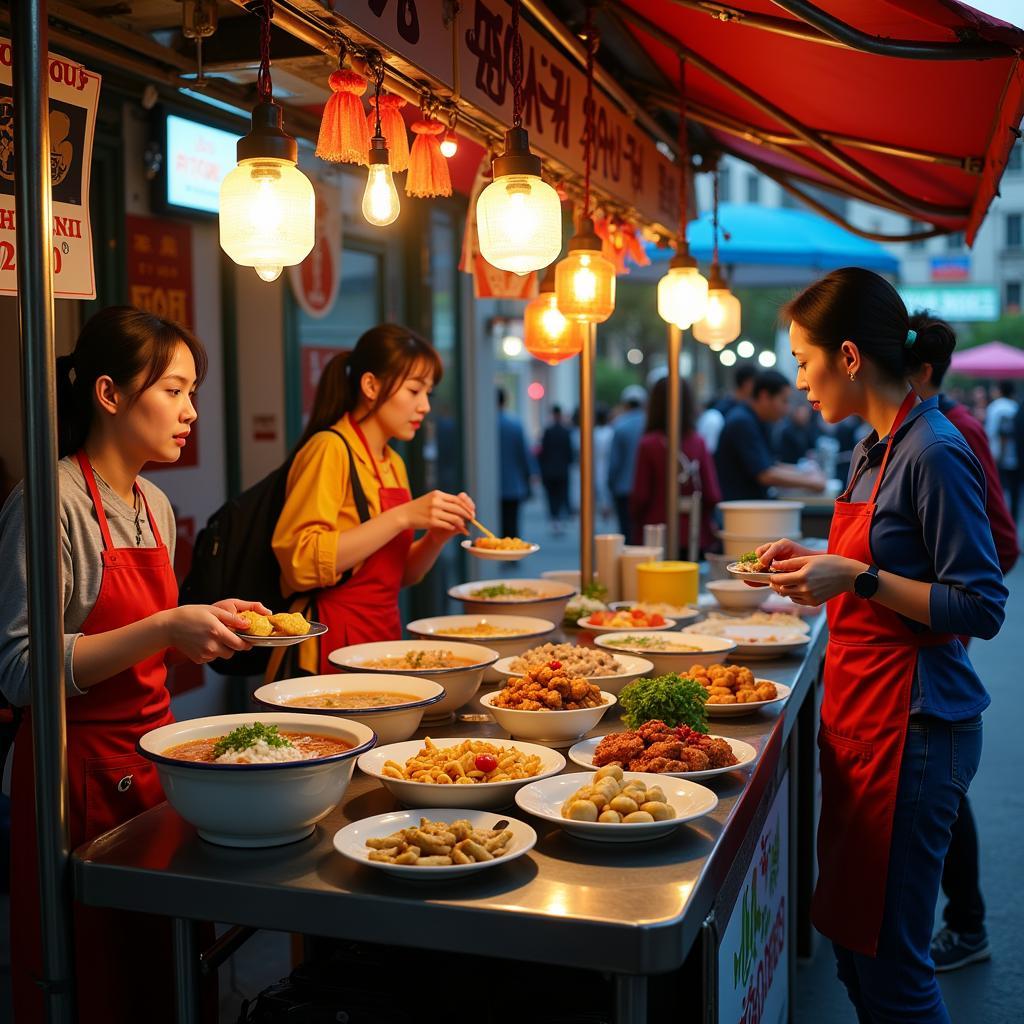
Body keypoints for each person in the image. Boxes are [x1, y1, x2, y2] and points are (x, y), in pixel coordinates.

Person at [1, 306, 263, 1023]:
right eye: (174, 391)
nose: (191, 411)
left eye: (192, 392)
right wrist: (163, 627)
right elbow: (22, 670)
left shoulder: (151, 499)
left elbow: (154, 638)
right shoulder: (48, 502)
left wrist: (198, 623)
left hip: (151, 762)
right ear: (110, 394)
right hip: (71, 775)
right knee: (96, 975)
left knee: (167, 961)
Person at [758, 268, 1007, 1023]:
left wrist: (856, 578)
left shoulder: (934, 449)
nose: (799, 381)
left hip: (917, 731)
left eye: (804, 361)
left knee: (893, 965)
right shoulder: (874, 447)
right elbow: (881, 562)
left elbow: (981, 603)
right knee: (853, 947)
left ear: (850, 357)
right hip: (863, 719)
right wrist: (813, 561)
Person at [270, 327, 474, 676]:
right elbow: (300, 562)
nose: (424, 405)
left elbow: (400, 573)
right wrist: (402, 516)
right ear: (370, 386)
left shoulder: (393, 462)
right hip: (330, 638)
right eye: (414, 390)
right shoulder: (329, 448)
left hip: (381, 635)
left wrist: (437, 536)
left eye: (427, 392)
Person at [911, 354, 1019, 973]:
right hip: (927, 631)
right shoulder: (898, 437)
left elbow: (1001, 543)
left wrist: (942, 612)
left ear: (917, 369)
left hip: (940, 638)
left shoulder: (949, 439)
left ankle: (967, 922)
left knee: (944, 785)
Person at [630, 377, 721, 555]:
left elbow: (640, 496)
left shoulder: (648, 444)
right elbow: (712, 494)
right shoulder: (698, 442)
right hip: (693, 535)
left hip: (654, 535)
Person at [714, 369, 827, 501]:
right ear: (764, 396)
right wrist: (811, 482)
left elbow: (770, 464)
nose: (787, 409)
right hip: (739, 511)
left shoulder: (755, 419)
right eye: (784, 401)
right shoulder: (742, 421)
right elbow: (764, 474)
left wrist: (805, 473)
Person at [607, 384, 647, 538]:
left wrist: (610, 484)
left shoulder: (619, 426)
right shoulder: (649, 424)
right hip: (645, 486)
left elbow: (614, 462)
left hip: (623, 487)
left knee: (626, 530)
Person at [497, 387, 533, 539]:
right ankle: (511, 551)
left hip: (491, 484)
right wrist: (530, 474)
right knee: (512, 519)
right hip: (513, 482)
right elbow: (524, 454)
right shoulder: (515, 424)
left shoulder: (483, 426)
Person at [984, 380, 1019, 522]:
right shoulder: (1016, 407)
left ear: (999, 390)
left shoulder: (994, 407)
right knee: (1014, 493)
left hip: (997, 456)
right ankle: (1013, 521)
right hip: (1016, 457)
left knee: (998, 492)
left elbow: (992, 432)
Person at [537, 405, 574, 533]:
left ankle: (554, 518)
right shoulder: (566, 431)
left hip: (549, 470)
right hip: (562, 469)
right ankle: (559, 519)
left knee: (551, 495)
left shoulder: (548, 431)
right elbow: (570, 453)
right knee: (561, 494)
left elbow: (543, 452)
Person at [593, 404, 614, 521]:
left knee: (600, 486)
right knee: (604, 486)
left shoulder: (594, 433)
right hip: (605, 462)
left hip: (597, 463)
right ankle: (606, 507)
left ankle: (604, 507)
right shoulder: (611, 432)